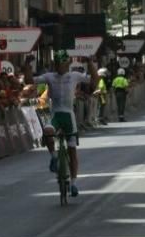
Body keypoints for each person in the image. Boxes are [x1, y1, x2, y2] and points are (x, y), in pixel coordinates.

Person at [23, 51, 98, 197]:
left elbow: (94, 80)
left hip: (69, 116)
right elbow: (28, 81)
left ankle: (74, 183)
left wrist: (90, 63)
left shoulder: (74, 76)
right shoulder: (49, 76)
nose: (59, 67)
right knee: (48, 131)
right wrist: (27, 65)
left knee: (72, 152)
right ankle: (54, 157)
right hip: (56, 115)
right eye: (56, 63)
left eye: (61, 63)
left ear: (67, 63)